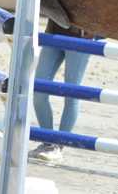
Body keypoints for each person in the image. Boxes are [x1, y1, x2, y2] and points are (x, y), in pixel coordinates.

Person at [28, 21, 95, 162]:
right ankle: (48, 144)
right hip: (53, 33)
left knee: (71, 94)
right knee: (38, 90)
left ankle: (59, 147)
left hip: (80, 37)